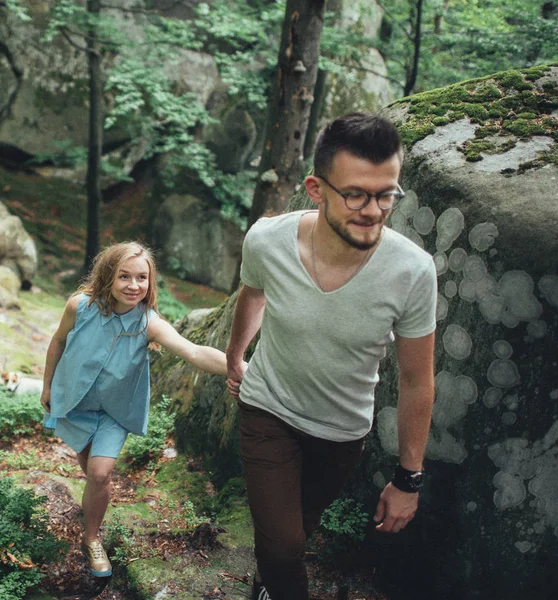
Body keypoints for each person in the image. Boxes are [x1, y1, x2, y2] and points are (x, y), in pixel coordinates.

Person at [225, 112, 437, 600]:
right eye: (357, 194)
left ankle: (268, 581)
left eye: (387, 194)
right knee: (281, 545)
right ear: (317, 190)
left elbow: (417, 380)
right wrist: (237, 355)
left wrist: (409, 478)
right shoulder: (266, 239)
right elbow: (252, 295)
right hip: (268, 410)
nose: (374, 210)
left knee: (295, 534)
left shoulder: (413, 272)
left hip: (341, 433)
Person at [41, 241, 238, 578]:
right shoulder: (80, 306)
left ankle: (91, 539)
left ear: (150, 282)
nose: (134, 286)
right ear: (108, 277)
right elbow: (58, 340)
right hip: (77, 401)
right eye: (124, 277)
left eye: (142, 278)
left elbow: (193, 352)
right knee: (91, 468)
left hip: (116, 410)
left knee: (101, 473)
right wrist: (47, 385)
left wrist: (239, 367)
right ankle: (94, 504)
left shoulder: (148, 322)